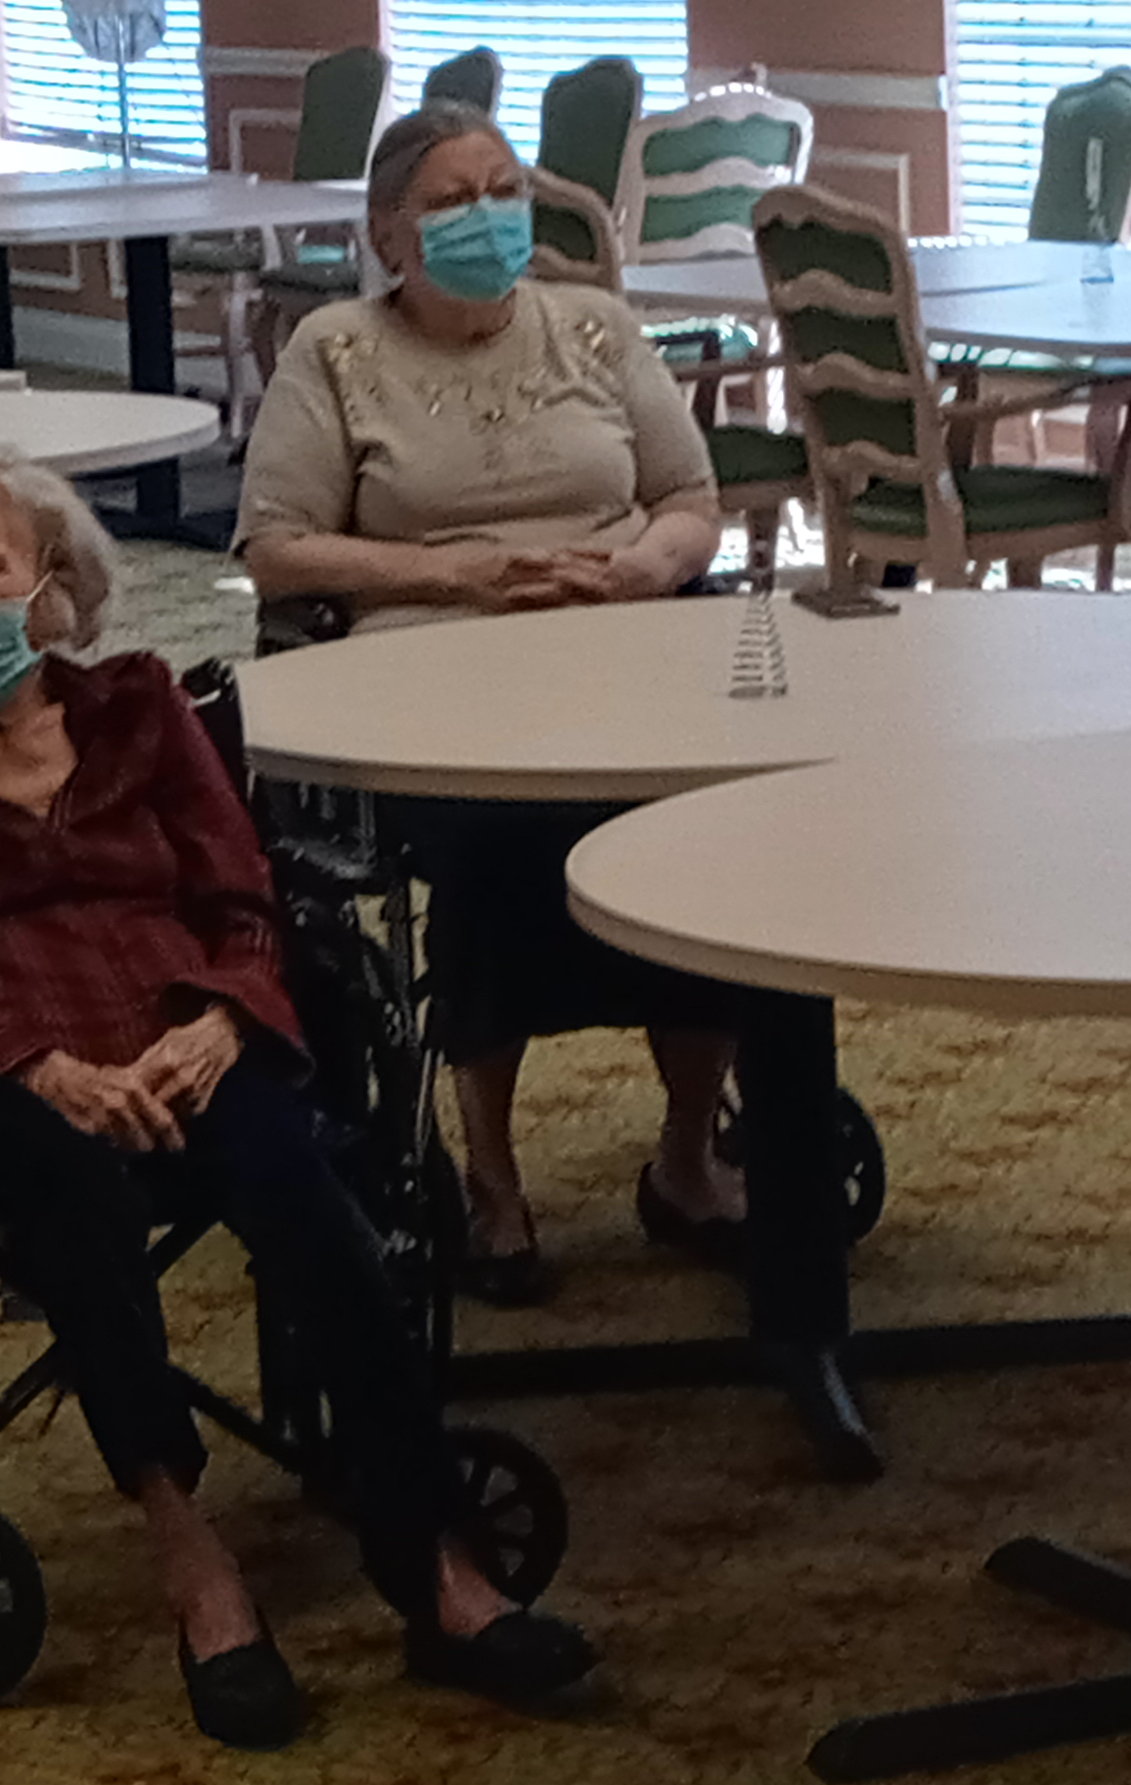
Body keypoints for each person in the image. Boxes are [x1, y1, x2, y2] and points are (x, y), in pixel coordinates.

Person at [0, 437, 600, 1748]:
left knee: (310, 1191)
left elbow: (243, 893)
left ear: (53, 588)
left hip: (183, 1030)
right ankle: (192, 1558)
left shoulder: (138, 706)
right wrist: (39, 1065)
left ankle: (431, 1562)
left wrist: (225, 1016)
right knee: (74, 1199)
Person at [235, 99, 733, 1305]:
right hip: (431, 666)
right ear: (385, 233)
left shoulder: (596, 328)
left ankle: (686, 1154)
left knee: (708, 836)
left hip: (621, 645)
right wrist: (459, 575)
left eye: (503, 192)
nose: (487, 217)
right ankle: (492, 1178)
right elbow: (277, 548)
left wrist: (642, 568)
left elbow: (688, 499)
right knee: (499, 843)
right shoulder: (336, 351)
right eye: (451, 201)